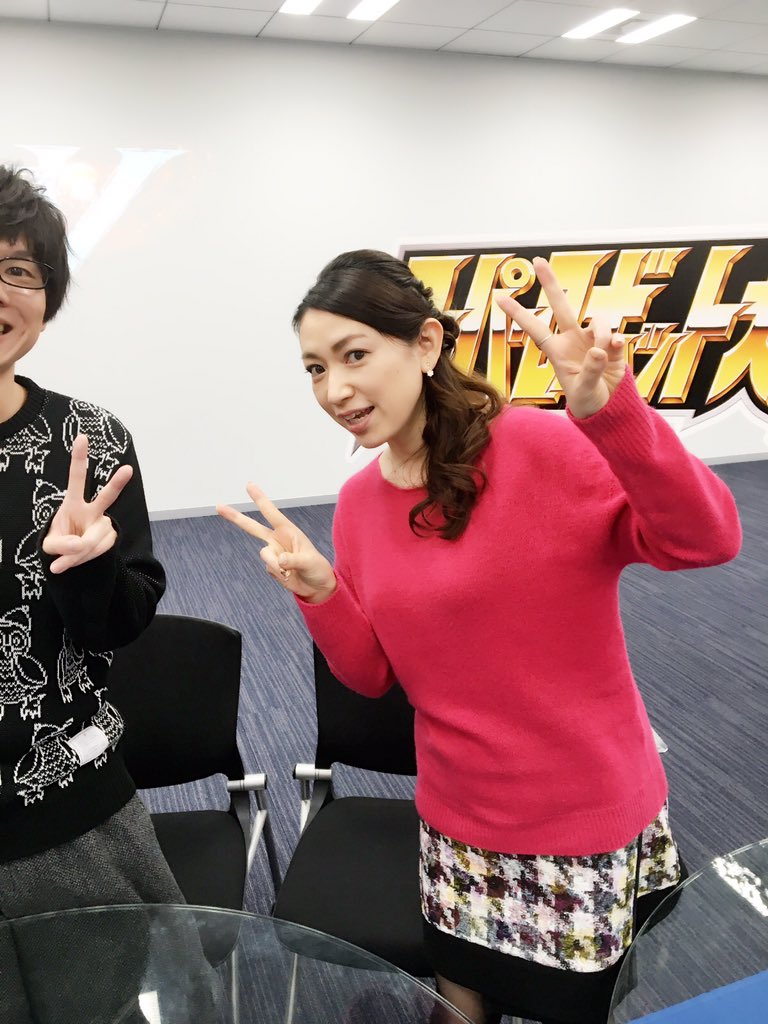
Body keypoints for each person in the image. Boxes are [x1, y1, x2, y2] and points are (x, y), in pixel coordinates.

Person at [218, 249, 742, 1024]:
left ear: (426, 344)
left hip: (579, 814)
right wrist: (322, 593)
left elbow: (707, 539)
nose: (334, 391)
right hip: (458, 816)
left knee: (576, 1007)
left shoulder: (538, 447)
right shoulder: (359, 503)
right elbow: (371, 676)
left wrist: (614, 416)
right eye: (315, 370)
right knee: (459, 996)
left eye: (355, 356)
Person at [0, 166, 194, 1021]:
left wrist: (87, 571)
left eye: (17, 271)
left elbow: (120, 625)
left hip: (68, 818)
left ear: (47, 299)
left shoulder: (88, 442)